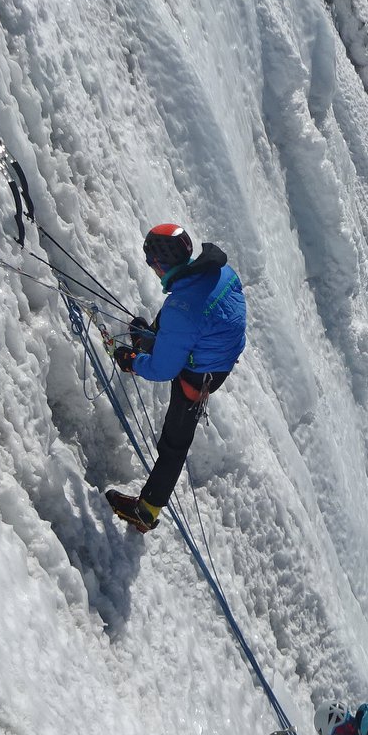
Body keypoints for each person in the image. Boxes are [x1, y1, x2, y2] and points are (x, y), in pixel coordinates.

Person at [104, 222, 246, 532]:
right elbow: (197, 318)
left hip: (199, 376)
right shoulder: (220, 272)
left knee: (174, 443)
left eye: (150, 262)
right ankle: (153, 340)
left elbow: (162, 370)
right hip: (216, 352)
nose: (150, 268)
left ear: (159, 263)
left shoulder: (182, 309)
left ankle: (147, 512)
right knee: (166, 326)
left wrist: (131, 361)